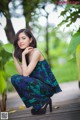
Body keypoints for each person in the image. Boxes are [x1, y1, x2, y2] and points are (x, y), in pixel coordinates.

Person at [11, 28, 62, 115]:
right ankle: (37, 103)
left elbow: (25, 74)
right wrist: (14, 56)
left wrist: (23, 55)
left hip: (46, 87)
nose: (20, 41)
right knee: (14, 78)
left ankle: (43, 100)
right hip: (36, 85)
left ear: (30, 40)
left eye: (23, 38)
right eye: (18, 39)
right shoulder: (26, 54)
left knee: (20, 79)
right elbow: (21, 74)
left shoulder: (36, 52)